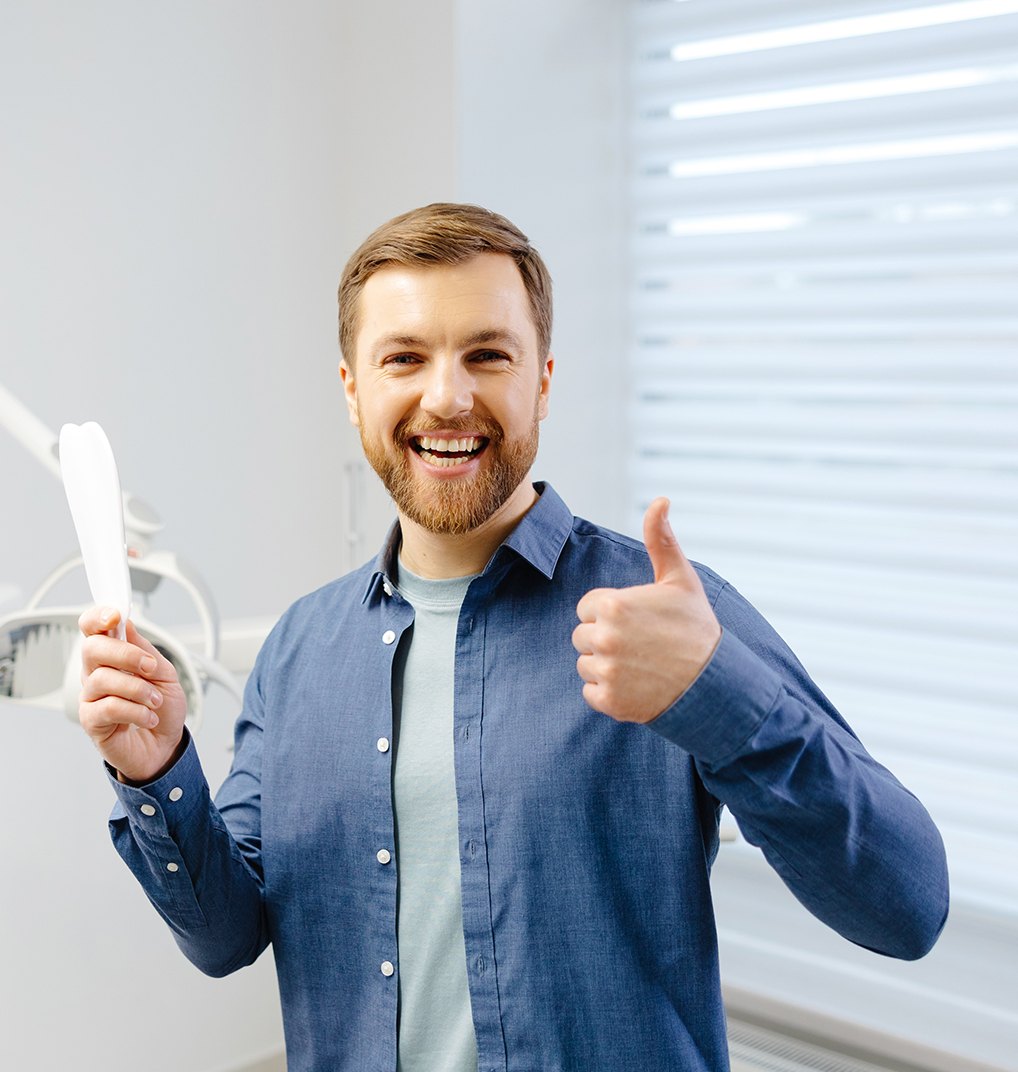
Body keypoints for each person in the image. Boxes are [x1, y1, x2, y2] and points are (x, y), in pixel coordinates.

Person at [78, 203, 949, 1072]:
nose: (447, 396)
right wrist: (156, 770)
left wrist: (717, 693)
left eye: (487, 355)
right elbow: (226, 935)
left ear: (542, 380)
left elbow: (907, 908)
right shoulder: (300, 652)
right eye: (404, 359)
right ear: (353, 390)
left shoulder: (665, 614)